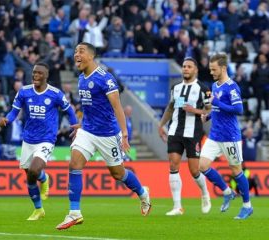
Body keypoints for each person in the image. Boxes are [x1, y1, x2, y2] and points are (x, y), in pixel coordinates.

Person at [56, 42, 151, 230]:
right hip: (88, 131)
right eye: (75, 51)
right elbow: (90, 107)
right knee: (74, 163)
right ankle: (74, 213)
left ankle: (143, 193)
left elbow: (117, 107)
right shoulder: (82, 77)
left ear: (91, 56)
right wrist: (82, 124)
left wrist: (124, 134)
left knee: (118, 173)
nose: (76, 54)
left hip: (108, 134)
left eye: (81, 51)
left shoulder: (105, 79)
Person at [0, 62, 77, 220]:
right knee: (30, 175)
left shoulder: (55, 94)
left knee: (34, 169)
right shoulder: (24, 92)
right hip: (28, 139)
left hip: (46, 139)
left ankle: (43, 178)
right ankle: (39, 208)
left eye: (39, 73)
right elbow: (14, 111)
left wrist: (75, 127)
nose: (35, 75)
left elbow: (69, 110)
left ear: (46, 76)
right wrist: (7, 119)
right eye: (34, 73)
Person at [200, 53, 253, 219]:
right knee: (202, 165)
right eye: (210, 69)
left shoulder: (232, 87)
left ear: (223, 68)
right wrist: (208, 116)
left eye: (214, 69)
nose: (211, 72)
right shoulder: (215, 85)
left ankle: (247, 206)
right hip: (215, 135)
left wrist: (217, 103)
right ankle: (227, 191)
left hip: (230, 137)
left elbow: (238, 110)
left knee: (236, 170)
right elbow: (217, 110)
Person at [158, 57, 211, 216]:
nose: (185, 69)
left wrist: (195, 111)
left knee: (194, 170)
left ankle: (204, 193)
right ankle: (177, 206)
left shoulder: (203, 89)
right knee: (173, 165)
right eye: (184, 66)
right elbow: (171, 107)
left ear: (195, 70)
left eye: (189, 67)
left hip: (193, 132)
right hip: (175, 130)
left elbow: (209, 111)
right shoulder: (176, 88)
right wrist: (161, 125)